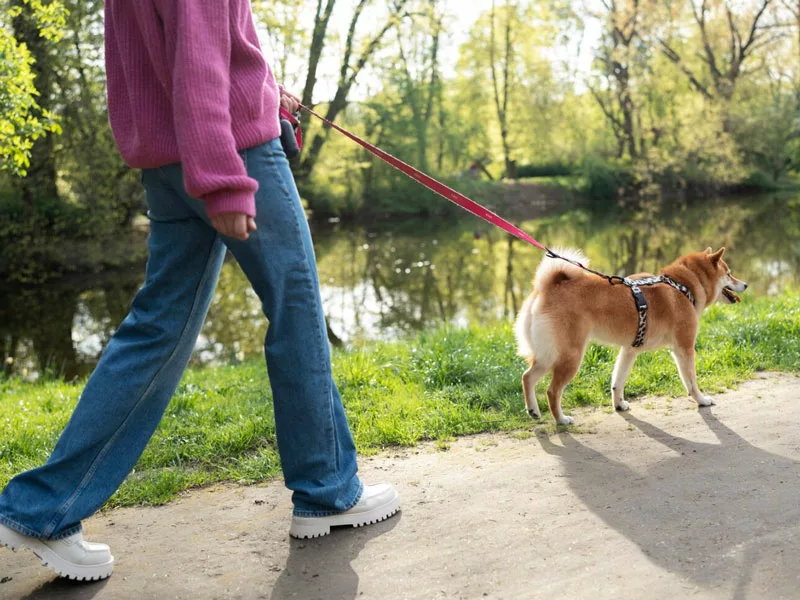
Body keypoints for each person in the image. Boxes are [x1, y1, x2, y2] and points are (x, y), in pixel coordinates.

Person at [0, 0, 399, 582]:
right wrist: (224, 181)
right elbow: (199, 64)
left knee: (156, 330)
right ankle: (328, 490)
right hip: (231, 154)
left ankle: (41, 507)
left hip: (167, 159)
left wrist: (261, 87)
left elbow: (172, 55)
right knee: (297, 312)